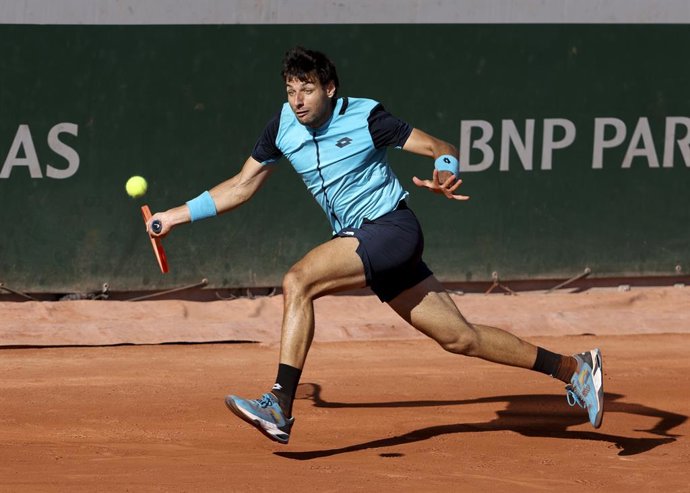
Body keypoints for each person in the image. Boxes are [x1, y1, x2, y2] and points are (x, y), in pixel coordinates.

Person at [148, 46, 604, 445]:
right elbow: (241, 186)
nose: (297, 100)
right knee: (460, 337)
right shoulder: (282, 126)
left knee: (298, 280)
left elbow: (440, 145)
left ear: (329, 88)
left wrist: (445, 170)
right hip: (366, 241)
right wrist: (174, 215)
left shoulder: (367, 116)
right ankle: (573, 369)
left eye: (306, 89)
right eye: (290, 89)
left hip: (391, 229)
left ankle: (279, 404)